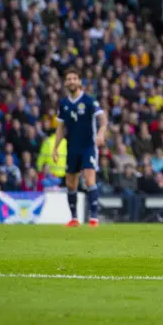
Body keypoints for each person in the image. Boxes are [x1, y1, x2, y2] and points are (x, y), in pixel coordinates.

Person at [53, 68, 108, 227]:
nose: (71, 81)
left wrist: (101, 133)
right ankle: (74, 218)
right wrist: (56, 148)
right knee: (71, 183)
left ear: (79, 82)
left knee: (89, 179)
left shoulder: (89, 100)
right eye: (68, 79)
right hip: (72, 148)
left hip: (88, 147)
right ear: (65, 83)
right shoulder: (63, 104)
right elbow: (60, 128)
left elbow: (103, 119)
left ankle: (94, 218)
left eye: (74, 78)